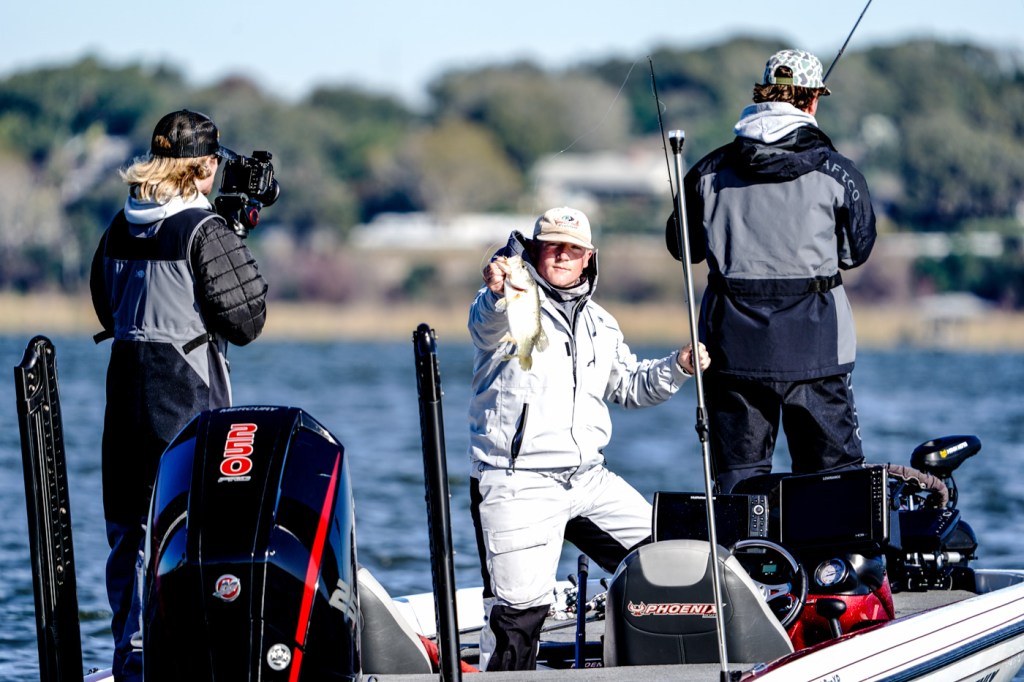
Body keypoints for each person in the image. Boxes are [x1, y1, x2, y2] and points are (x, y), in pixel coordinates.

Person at [468, 206, 709, 671]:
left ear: (589, 257)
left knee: (672, 561)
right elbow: (485, 324)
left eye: (573, 248)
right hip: (518, 481)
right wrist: (497, 292)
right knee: (518, 616)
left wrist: (677, 367)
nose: (562, 255)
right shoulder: (505, 299)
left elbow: (630, 387)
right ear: (534, 252)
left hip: (588, 479)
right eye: (552, 246)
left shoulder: (602, 323)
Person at [90, 109, 268, 681]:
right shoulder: (203, 230)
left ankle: (131, 659)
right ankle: (177, 660)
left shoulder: (119, 225)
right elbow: (247, 321)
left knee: (129, 536)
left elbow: (105, 306)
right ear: (205, 166)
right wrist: (231, 240)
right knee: (186, 534)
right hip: (188, 402)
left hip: (125, 400)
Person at [666, 49, 876, 494]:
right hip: (818, 352)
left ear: (761, 95)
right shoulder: (839, 173)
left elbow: (682, 248)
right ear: (813, 101)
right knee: (833, 490)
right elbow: (855, 252)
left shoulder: (706, 172)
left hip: (731, 354)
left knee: (738, 488)